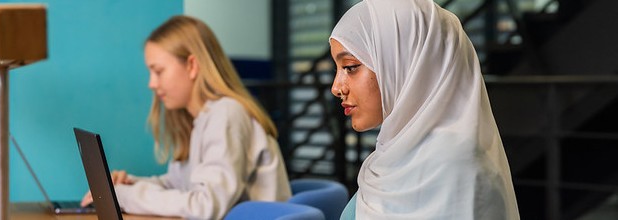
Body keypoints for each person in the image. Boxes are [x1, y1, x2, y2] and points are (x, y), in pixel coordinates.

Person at [80, 15, 291, 219]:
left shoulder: (227, 114)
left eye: (159, 71)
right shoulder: (201, 119)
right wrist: (129, 185)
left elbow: (205, 206)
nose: (151, 83)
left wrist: (125, 197)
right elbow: (180, 183)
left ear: (191, 66)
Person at [328, 0, 519, 219]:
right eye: (338, 68)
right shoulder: (394, 154)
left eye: (350, 67)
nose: (336, 88)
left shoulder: (458, 170)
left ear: (405, 62)